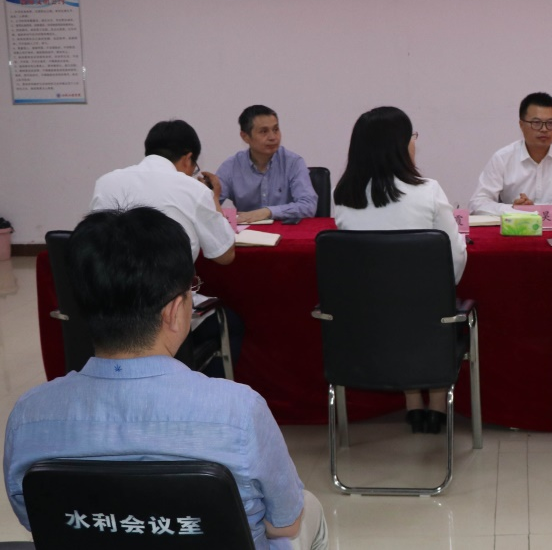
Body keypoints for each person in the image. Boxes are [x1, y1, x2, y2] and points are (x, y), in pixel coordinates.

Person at [3, 207, 327, 550]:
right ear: (174, 312)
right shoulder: (239, 410)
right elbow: (285, 523)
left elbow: (38, 521)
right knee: (309, 509)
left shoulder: (28, 415)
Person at [333, 106, 466, 435]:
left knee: (393, 303)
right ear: (400, 145)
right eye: (412, 136)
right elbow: (454, 262)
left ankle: (413, 404)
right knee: (432, 306)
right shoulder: (428, 191)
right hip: (425, 323)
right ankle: (437, 406)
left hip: (363, 328)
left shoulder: (344, 197)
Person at [91, 119, 234, 265]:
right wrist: (214, 198)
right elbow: (224, 255)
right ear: (187, 158)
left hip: (110, 277)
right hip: (168, 278)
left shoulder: (105, 182)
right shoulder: (195, 190)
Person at [469, 92, 552, 218]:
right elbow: (477, 203)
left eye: (550, 123)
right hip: (516, 229)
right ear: (521, 125)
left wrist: (533, 209)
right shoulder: (503, 158)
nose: (544, 129)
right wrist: (513, 209)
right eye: (536, 123)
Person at [216, 105, 318, 223]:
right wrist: (203, 192)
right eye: (264, 131)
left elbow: (309, 206)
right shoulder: (231, 167)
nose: (273, 137)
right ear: (245, 137)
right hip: (247, 233)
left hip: (285, 231)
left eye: (275, 129)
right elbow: (209, 207)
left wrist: (267, 212)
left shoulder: (293, 162)